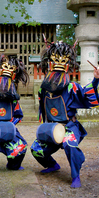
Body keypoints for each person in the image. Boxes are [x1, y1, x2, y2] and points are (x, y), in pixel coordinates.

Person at [30, 40, 99, 188]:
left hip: (69, 126)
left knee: (69, 144)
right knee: (36, 149)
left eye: (63, 61)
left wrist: (96, 80)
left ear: (67, 65)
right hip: (52, 128)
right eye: (55, 60)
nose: (58, 64)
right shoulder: (43, 90)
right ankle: (53, 165)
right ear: (49, 64)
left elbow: (87, 95)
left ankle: (75, 176)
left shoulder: (72, 87)